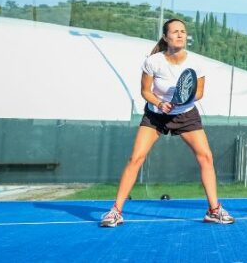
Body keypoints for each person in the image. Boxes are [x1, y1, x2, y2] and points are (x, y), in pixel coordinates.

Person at [100, 18, 235, 227]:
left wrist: (183, 99)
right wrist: (160, 103)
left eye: (183, 31)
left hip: (186, 115)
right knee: (136, 157)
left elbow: (199, 92)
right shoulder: (153, 61)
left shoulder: (196, 63)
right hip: (155, 115)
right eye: (175, 31)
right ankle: (115, 211)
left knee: (206, 157)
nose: (180, 35)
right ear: (166, 37)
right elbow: (145, 91)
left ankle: (213, 210)